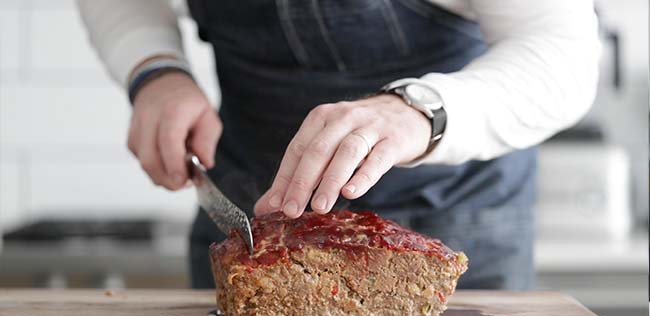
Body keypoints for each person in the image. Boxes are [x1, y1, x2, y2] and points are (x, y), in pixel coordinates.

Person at [78, 0, 600, 290]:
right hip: (250, 218)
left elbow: (564, 55)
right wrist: (154, 69)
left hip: (456, 214)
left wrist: (420, 108)